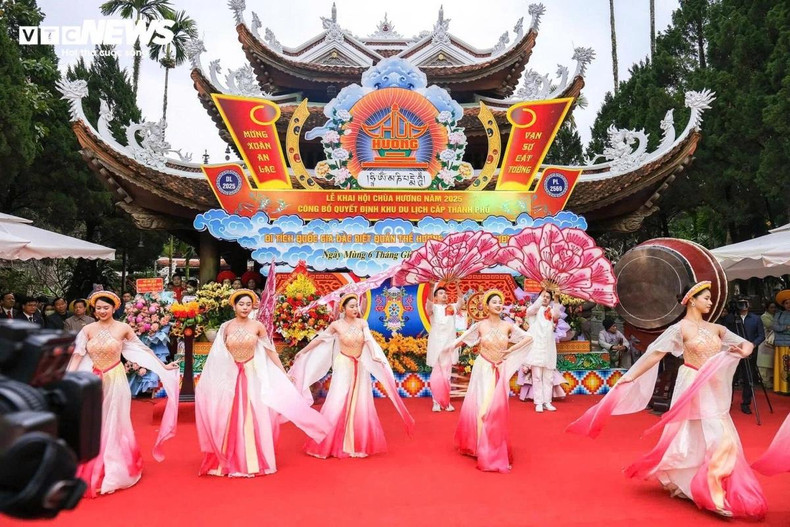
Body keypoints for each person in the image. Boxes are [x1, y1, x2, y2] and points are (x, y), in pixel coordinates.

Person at [567, 281, 767, 519]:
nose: (711, 302)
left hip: (714, 386)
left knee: (722, 435)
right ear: (692, 299)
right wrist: (629, 377)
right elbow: (653, 355)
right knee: (691, 433)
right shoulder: (680, 329)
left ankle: (710, 486)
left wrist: (744, 349)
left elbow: (745, 343)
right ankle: (703, 489)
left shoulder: (717, 329)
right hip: (691, 383)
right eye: (706, 298)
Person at [196, 289, 329, 477]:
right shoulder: (226, 327)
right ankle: (227, 457)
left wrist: (283, 374)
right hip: (231, 377)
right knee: (229, 415)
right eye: (241, 304)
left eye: (248, 305)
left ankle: (252, 460)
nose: (244, 308)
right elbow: (217, 355)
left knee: (253, 415)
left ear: (253, 307)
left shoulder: (258, 326)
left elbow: (270, 351)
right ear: (233, 306)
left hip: (252, 376)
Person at [67, 291, 180, 497]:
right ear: (94, 309)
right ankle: (91, 462)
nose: (102, 311)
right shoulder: (88, 329)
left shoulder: (123, 328)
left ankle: (115, 466)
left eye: (106, 308)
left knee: (115, 420)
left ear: (114, 308)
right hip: (92, 380)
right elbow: (78, 354)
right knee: (92, 421)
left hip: (115, 377)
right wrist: (68, 377)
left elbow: (142, 350)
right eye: (98, 308)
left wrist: (163, 366)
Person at [289, 293, 414, 459]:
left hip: (360, 365)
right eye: (352, 306)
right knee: (338, 400)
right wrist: (302, 351)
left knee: (361, 401)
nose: (355, 309)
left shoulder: (362, 323)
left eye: (356, 305)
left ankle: (357, 443)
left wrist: (375, 354)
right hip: (343, 365)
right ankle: (330, 442)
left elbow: (368, 340)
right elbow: (320, 340)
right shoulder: (336, 325)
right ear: (344, 308)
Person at [440, 290, 534, 472]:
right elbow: (462, 340)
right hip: (483, 369)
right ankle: (481, 446)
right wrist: (446, 350)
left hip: (500, 370)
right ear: (487, 306)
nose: (499, 305)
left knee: (496, 410)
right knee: (482, 409)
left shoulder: (508, 326)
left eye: (501, 302)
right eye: (495, 302)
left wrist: (511, 351)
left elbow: (529, 338)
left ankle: (494, 446)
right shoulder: (480, 326)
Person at [722, 296, 765, 414]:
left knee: (748, 377)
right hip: (733, 353)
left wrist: (752, 345)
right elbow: (725, 334)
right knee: (730, 377)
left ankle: (746, 403)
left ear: (749, 304)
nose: (743, 306)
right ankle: (727, 403)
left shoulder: (756, 319)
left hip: (749, 353)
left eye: (745, 303)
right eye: (740, 303)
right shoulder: (730, 318)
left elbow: (761, 335)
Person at [523, 290, 561, 412]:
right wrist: (543, 291)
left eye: (547, 297)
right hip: (536, 348)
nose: (545, 298)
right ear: (539, 297)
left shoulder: (551, 310)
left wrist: (556, 298)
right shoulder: (534, 310)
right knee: (537, 376)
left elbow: (557, 316)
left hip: (549, 348)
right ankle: (538, 402)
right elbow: (530, 310)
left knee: (548, 377)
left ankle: (547, 402)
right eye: (543, 296)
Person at [426, 284, 461, 412]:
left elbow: (461, 302)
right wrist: (430, 288)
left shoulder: (451, 307)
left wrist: (458, 285)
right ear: (435, 297)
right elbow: (429, 304)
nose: (444, 295)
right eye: (440, 293)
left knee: (446, 376)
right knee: (436, 375)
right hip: (436, 345)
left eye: (445, 293)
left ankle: (446, 402)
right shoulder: (433, 308)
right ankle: (435, 402)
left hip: (449, 346)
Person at [771, 290, 790, 394]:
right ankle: (782, 388)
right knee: (782, 366)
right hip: (781, 345)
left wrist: (782, 329)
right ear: (783, 305)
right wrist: (786, 328)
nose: (789, 305)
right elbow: (774, 327)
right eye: (786, 303)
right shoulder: (779, 314)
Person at [757, 301, 777, 381]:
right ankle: (765, 381)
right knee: (764, 364)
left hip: (773, 342)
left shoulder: (777, 316)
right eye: (771, 307)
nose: (774, 309)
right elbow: (770, 326)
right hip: (765, 342)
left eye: (775, 307)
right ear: (767, 308)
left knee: (772, 363)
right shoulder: (764, 316)